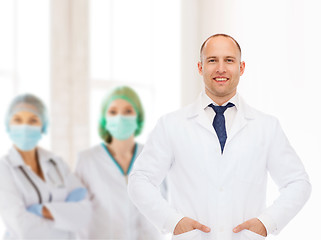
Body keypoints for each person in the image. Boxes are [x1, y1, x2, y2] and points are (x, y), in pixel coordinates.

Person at [128, 34, 311, 240]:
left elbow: (298, 183)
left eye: (229, 60)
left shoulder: (266, 126)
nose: (221, 68)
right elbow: (139, 180)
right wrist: (172, 221)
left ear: (241, 68)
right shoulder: (171, 125)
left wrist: (267, 223)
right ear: (200, 67)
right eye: (212, 60)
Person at [75, 86, 164, 240]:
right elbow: (78, 217)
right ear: (104, 118)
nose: (120, 117)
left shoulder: (154, 157)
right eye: (113, 112)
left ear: (138, 117)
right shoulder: (87, 160)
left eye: (128, 111)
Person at [0, 93, 92, 239]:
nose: (25, 127)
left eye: (33, 120)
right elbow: (21, 227)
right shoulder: (4, 168)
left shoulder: (56, 163)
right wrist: (64, 219)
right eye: (17, 120)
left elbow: (84, 212)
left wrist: (39, 211)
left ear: (43, 125)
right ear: (8, 125)